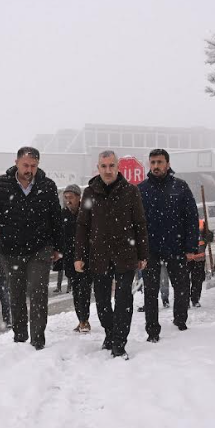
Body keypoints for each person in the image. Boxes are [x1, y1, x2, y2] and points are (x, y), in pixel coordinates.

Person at [0, 146, 63, 350]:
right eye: (25, 165)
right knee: (16, 295)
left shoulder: (47, 186)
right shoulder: (0, 185)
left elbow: (56, 219)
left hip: (39, 249)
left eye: (33, 165)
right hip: (11, 250)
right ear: (16, 162)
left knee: (38, 292)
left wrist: (58, 247)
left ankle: (38, 340)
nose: (29, 169)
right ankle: (20, 338)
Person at [75, 151, 148, 359]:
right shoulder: (90, 192)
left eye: (111, 166)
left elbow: (140, 224)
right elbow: (82, 226)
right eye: (104, 166)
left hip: (126, 255)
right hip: (99, 256)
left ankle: (119, 342)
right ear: (98, 168)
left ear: (118, 167)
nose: (108, 170)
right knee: (103, 303)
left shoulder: (130, 192)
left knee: (124, 300)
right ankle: (110, 332)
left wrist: (143, 254)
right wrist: (79, 255)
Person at [138, 148, 198, 342]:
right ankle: (152, 330)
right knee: (150, 290)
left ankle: (180, 320)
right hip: (150, 248)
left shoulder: (180, 187)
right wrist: (138, 249)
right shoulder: (141, 189)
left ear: (168, 164)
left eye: (159, 162)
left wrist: (190, 247)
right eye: (153, 162)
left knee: (181, 286)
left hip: (176, 246)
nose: (156, 166)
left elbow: (191, 218)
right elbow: (135, 222)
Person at [61, 184, 92, 333]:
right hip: (69, 259)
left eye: (71, 197)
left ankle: (84, 320)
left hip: (86, 258)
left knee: (84, 291)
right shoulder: (62, 215)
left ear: (79, 197)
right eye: (66, 198)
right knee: (75, 291)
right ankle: (81, 319)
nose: (68, 201)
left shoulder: (86, 213)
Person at [189, 219, 213, 308]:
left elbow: (210, 236)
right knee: (185, 281)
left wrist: (207, 235)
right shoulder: (183, 222)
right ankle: (185, 299)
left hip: (199, 258)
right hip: (187, 258)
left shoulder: (201, 223)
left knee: (198, 280)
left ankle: (195, 299)